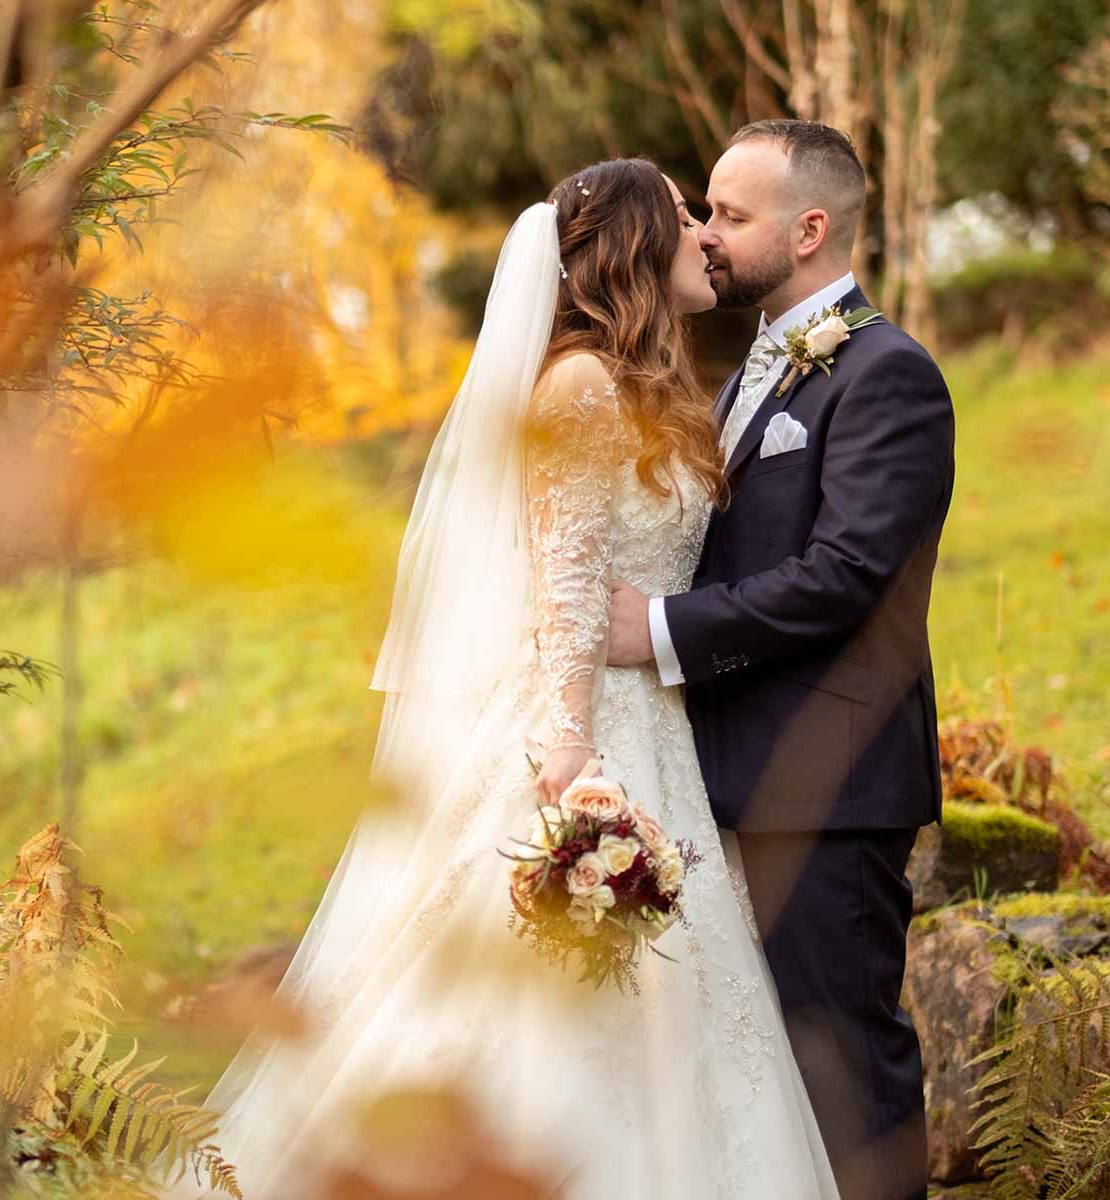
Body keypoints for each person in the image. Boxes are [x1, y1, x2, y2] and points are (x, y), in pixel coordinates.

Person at [162, 158, 839, 1199]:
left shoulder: (651, 387)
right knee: (551, 1001)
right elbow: (562, 591)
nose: (706, 233)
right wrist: (573, 763)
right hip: (592, 735)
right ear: (635, 248)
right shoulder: (576, 389)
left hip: (656, 727)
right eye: (686, 216)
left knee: (667, 1002)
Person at [607, 120, 954, 1200]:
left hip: (833, 785)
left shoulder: (889, 375)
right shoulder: (750, 370)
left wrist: (658, 631)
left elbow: (847, 571)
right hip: (736, 773)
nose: (706, 233)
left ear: (810, 230)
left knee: (843, 1065)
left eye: (729, 213)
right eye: (705, 210)